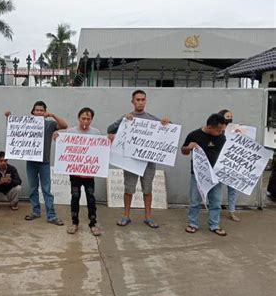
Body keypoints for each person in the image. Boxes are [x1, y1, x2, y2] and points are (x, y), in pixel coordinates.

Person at [107, 90, 170, 229]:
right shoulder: (127, 118)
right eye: (137, 100)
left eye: (143, 100)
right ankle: (126, 215)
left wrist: (166, 124)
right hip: (130, 161)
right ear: (133, 101)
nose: (140, 102)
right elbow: (110, 129)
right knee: (129, 189)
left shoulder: (153, 119)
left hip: (148, 162)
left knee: (147, 189)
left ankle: (148, 217)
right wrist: (122, 120)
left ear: (145, 101)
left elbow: (165, 133)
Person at [5, 100, 68, 225]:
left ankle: (51, 215)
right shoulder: (26, 124)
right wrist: (8, 118)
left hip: (44, 162)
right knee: (33, 188)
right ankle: (36, 211)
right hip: (31, 162)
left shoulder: (49, 124)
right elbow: (15, 132)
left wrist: (53, 115)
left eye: (41, 110)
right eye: (37, 110)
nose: (39, 112)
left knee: (46, 189)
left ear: (45, 112)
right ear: (33, 112)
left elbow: (64, 125)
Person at [54, 107, 101, 236]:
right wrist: (57, 137)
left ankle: (93, 223)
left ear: (92, 119)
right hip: (75, 173)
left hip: (89, 174)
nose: (85, 121)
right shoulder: (70, 132)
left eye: (88, 118)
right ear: (78, 118)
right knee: (75, 197)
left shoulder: (96, 133)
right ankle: (75, 222)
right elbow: (63, 146)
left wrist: (109, 139)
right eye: (83, 118)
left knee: (91, 198)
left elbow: (100, 151)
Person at [181, 113, 227, 236]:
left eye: (222, 130)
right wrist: (188, 147)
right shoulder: (194, 135)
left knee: (216, 201)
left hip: (216, 175)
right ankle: (192, 223)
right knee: (195, 200)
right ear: (210, 127)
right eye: (218, 130)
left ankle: (214, 225)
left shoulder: (222, 137)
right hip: (198, 174)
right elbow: (183, 151)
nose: (220, 132)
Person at [218, 109, 241, 222]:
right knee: (217, 189)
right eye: (227, 116)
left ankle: (232, 212)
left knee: (232, 189)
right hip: (220, 164)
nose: (229, 118)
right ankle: (216, 209)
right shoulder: (216, 130)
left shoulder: (234, 130)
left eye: (231, 116)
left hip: (231, 165)